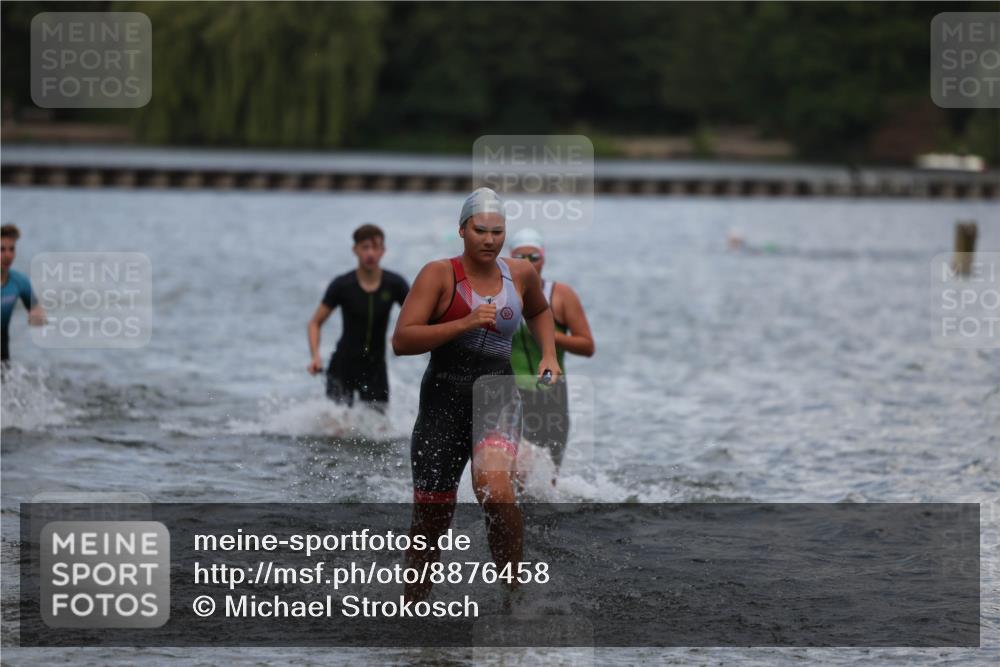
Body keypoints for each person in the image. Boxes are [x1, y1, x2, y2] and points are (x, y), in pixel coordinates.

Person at [392, 188, 559, 602]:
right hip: (442, 401)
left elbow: (539, 310)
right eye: (480, 230)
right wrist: (464, 323)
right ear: (462, 230)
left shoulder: (520, 274)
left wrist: (549, 355)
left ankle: (514, 597)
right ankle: (413, 605)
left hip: (497, 396)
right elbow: (402, 341)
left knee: (495, 493)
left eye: (497, 232)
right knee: (432, 514)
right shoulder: (438, 275)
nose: (489, 239)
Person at [509, 228, 594, 484]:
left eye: (534, 256)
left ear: (543, 258)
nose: (527, 263)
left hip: (551, 393)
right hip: (511, 392)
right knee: (514, 472)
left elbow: (587, 345)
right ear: (510, 259)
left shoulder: (561, 295)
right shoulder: (500, 295)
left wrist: (547, 333)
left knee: (548, 479)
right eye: (520, 257)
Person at [307, 224, 408, 412]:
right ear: (355, 250)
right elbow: (315, 323)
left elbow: (416, 316)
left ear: (383, 251)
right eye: (365, 247)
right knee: (337, 424)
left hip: (376, 368)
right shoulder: (342, 285)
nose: (370, 253)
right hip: (343, 366)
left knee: (379, 426)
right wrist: (315, 356)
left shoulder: (395, 284)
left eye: (375, 247)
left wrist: (400, 334)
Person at [1, 224, 45, 363]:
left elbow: (36, 309)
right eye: (2, 249)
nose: (8, 255)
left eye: (12, 249)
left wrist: (37, 317)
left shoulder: (19, 282)